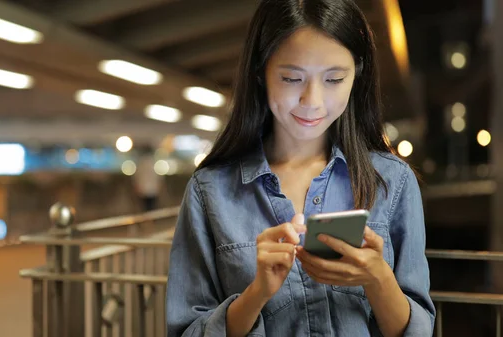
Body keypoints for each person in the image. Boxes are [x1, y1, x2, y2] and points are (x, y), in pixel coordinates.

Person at [165, 0, 436, 336]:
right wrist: (256, 293)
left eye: (334, 79)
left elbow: (419, 329)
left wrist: (377, 278)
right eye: (292, 78)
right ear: (260, 73)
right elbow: (186, 330)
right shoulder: (210, 191)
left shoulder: (392, 181)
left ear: (357, 75)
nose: (313, 101)